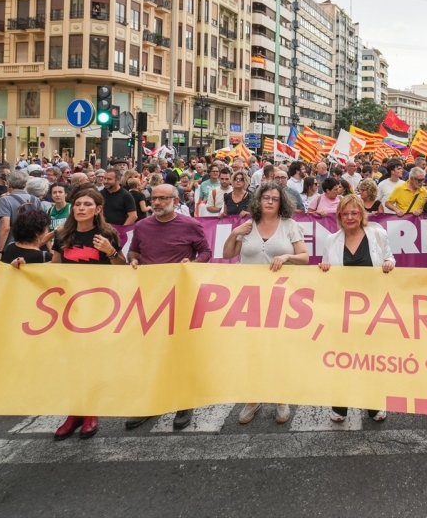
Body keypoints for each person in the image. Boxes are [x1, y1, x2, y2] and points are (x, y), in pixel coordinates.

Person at [123, 184, 212, 431]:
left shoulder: (190, 224)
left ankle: (184, 402)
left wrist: (193, 263)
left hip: (181, 296)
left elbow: (205, 252)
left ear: (175, 200)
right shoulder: (142, 226)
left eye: (163, 198)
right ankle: (151, 403)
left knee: (180, 350)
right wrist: (133, 261)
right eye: (154, 198)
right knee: (151, 351)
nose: (157, 202)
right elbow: (134, 252)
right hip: (150, 296)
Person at [222, 181, 308, 425]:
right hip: (249, 297)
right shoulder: (248, 225)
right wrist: (234, 234)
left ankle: (281, 397)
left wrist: (287, 255)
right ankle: (254, 397)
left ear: (281, 203)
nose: (270, 202)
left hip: (281, 297)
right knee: (253, 349)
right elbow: (228, 254)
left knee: (279, 347)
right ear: (258, 200)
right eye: (266, 197)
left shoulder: (289, 225)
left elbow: (304, 257)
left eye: (275, 199)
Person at [51, 188, 125, 440]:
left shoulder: (107, 234)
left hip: (98, 306)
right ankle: (74, 412)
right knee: (70, 360)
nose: (81, 208)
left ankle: (91, 411)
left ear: (98, 209)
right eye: (78, 204)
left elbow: (121, 267)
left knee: (91, 358)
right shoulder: (62, 235)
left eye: (87, 204)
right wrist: (23, 267)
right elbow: (54, 268)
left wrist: (110, 251)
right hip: (69, 306)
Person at [318, 195, 394, 423]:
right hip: (342, 311)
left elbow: (389, 258)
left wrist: (390, 263)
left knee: (371, 360)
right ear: (339, 216)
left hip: (372, 310)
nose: (350, 217)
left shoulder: (378, 235)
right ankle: (340, 407)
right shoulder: (331, 240)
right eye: (346, 213)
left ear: (362, 214)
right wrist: (324, 267)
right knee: (342, 359)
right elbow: (326, 268)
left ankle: (374, 405)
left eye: (355, 213)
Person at [0, 171, 44, 259]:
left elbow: (5, 227)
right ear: (25, 184)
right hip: (33, 245)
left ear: (9, 184)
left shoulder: (5, 200)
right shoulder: (35, 199)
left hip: (12, 245)